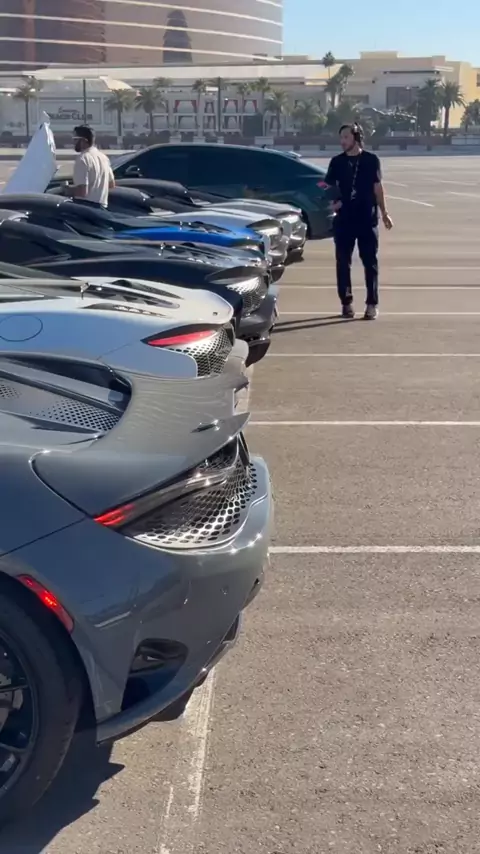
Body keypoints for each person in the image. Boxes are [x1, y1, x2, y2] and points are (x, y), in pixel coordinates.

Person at [325, 123, 393, 320]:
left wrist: (385, 213)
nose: (342, 141)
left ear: (356, 138)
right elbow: (326, 185)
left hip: (367, 219)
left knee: (370, 262)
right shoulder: (337, 162)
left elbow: (378, 188)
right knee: (342, 262)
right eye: (341, 137)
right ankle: (346, 303)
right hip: (344, 220)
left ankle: (372, 304)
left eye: (346, 137)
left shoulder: (371, 160)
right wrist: (333, 201)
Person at [66, 125, 115, 206]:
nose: (73, 142)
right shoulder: (103, 157)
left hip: (86, 207)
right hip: (102, 207)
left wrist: (67, 190)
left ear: (84, 141)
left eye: (75, 139)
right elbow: (111, 184)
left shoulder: (82, 159)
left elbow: (82, 192)